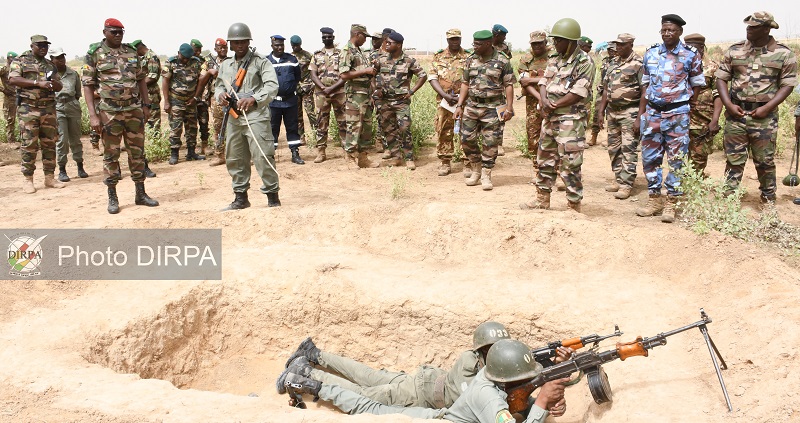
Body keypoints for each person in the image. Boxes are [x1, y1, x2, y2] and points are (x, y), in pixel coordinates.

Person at [280, 339, 568, 423]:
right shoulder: (487, 394)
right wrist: (541, 402)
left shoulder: (491, 374)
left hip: (432, 404)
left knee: (367, 384)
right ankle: (307, 381)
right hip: (426, 406)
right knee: (366, 403)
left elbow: (518, 398)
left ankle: (311, 362)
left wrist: (542, 400)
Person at [277, 321, 514, 408]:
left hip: (422, 382)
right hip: (416, 393)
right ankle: (304, 372)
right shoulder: (471, 366)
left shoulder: (473, 359)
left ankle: (312, 353)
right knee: (362, 394)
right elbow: (479, 397)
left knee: (366, 375)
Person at [715, 11, 797, 208]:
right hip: (736, 114)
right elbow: (721, 78)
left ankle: (768, 200)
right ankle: (728, 200)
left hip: (765, 118)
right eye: (748, 26)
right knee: (734, 160)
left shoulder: (784, 54)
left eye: (754, 27)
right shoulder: (734, 51)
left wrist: (768, 108)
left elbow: (788, 85)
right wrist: (728, 105)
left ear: (767, 29)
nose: (748, 30)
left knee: (765, 161)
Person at [82, 18, 158, 214]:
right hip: (109, 112)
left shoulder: (131, 52)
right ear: (104, 32)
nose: (118, 35)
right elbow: (88, 85)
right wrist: (92, 115)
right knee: (111, 155)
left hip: (133, 110)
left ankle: (140, 194)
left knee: (137, 153)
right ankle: (112, 197)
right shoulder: (94, 54)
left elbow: (141, 80)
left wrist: (146, 104)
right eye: (113, 32)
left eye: (120, 32)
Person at [520, 18, 595, 212]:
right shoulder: (555, 59)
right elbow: (544, 82)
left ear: (570, 41)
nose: (555, 44)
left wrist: (554, 105)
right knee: (544, 158)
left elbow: (579, 92)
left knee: (570, 163)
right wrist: (543, 101)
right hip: (550, 118)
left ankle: (573, 204)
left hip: (571, 120)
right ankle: (542, 199)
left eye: (559, 40)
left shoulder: (584, 62)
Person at [635, 14, 704, 223]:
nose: (667, 34)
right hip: (653, 113)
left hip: (677, 114)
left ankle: (672, 202)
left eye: (671, 30)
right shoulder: (651, 53)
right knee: (650, 158)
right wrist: (643, 113)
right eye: (664, 30)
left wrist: (687, 105)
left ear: (680, 32)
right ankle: (654, 198)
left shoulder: (690, 55)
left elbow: (698, 84)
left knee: (677, 159)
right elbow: (645, 83)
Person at [214, 22, 281, 209]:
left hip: (256, 115)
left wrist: (254, 98)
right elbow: (219, 85)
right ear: (230, 44)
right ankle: (240, 197)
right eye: (236, 43)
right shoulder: (226, 65)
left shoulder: (261, 62)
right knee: (235, 156)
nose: (240, 45)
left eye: (243, 41)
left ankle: (272, 196)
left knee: (263, 155)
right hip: (234, 116)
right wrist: (220, 95)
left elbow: (271, 86)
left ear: (249, 42)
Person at [453, 30, 515, 191]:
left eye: (478, 44)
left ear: (488, 44)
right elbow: (465, 83)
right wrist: (459, 105)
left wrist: (509, 107)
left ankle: (486, 173)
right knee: (466, 139)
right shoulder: (470, 60)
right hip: (472, 106)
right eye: (474, 43)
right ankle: (476, 168)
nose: (475, 47)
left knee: (491, 142)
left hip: (494, 107)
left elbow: (509, 85)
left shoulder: (502, 60)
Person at [9, 34, 64, 193]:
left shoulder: (50, 65)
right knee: (29, 144)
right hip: (28, 108)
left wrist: (55, 84)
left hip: (48, 108)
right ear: (32, 46)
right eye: (40, 45)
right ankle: (28, 179)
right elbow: (13, 80)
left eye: (45, 46)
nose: (43, 48)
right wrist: (37, 83)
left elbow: (59, 86)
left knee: (49, 143)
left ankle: (49, 177)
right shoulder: (20, 61)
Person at [595, 33, 643, 200]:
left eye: (622, 45)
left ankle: (626, 184)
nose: (618, 47)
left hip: (631, 111)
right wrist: (601, 111)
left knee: (628, 148)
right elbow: (606, 89)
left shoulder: (638, 63)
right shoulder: (613, 63)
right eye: (617, 45)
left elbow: (645, 91)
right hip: (613, 112)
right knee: (614, 147)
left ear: (631, 44)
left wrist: (639, 118)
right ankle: (618, 177)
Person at [373, 31, 427, 169]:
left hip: (401, 102)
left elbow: (422, 76)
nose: (386, 45)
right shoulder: (381, 59)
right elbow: (371, 74)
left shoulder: (409, 61)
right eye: (386, 42)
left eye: (389, 43)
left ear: (398, 45)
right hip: (384, 101)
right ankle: (396, 157)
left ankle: (409, 158)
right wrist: (375, 89)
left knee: (404, 128)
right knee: (388, 129)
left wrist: (411, 91)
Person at [429, 29, 469, 177]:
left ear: (461, 39)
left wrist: (462, 97)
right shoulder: (438, 57)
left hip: (464, 100)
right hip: (444, 101)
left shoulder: (468, 56)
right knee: (444, 130)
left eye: (457, 38)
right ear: (447, 40)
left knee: (467, 130)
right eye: (452, 39)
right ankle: (445, 162)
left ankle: (468, 162)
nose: (454, 41)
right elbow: (432, 78)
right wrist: (444, 95)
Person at [339, 24, 380, 168]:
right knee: (354, 127)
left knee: (366, 128)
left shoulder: (360, 51)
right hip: (355, 96)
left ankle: (363, 158)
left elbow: (365, 71)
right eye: (364, 36)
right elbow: (343, 74)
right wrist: (365, 71)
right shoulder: (347, 50)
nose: (365, 40)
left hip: (366, 95)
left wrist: (372, 68)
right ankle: (350, 158)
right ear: (357, 34)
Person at [683, 33, 722, 176]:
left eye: (693, 47)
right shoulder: (678, 64)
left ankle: (696, 180)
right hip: (680, 115)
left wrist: (715, 120)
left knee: (699, 152)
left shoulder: (712, 67)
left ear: (701, 48)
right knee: (678, 151)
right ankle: (681, 182)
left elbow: (719, 94)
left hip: (702, 117)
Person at [518, 30, 555, 179]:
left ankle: (556, 171)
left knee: (554, 135)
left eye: (540, 43)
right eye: (534, 44)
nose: (537, 46)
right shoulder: (526, 59)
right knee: (533, 136)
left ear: (546, 43)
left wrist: (534, 80)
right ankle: (538, 170)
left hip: (553, 101)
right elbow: (524, 82)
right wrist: (540, 97)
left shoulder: (554, 56)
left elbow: (556, 76)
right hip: (534, 102)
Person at [162, 43, 205, 165]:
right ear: (178, 53)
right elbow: (165, 82)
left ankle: (191, 153)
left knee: (192, 127)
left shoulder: (196, 62)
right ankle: (174, 153)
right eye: (184, 57)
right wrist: (166, 101)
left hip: (191, 100)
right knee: (176, 127)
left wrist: (196, 97)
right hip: (176, 99)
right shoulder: (171, 62)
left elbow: (201, 80)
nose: (186, 60)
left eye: (188, 58)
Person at [50, 47, 87, 182]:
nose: (61, 60)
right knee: (62, 140)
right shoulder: (49, 74)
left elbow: (78, 93)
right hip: (57, 107)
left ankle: (80, 166)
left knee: (76, 138)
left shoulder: (73, 73)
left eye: (62, 57)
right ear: (51, 60)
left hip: (72, 106)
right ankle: (62, 170)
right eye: (57, 58)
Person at [267, 35, 304, 165]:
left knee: (292, 127)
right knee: (272, 128)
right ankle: (271, 155)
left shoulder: (292, 59)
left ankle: (295, 153)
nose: (279, 47)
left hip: (290, 101)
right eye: (277, 45)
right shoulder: (266, 61)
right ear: (272, 46)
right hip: (273, 102)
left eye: (281, 45)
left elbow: (297, 77)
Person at [130, 39, 158, 178]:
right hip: (130, 101)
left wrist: (137, 85)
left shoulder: (151, 57)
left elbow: (152, 77)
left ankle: (144, 166)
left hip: (148, 96)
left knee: (143, 134)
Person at [290, 35, 317, 147]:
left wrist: (312, 85)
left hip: (307, 88)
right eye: (294, 45)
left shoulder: (308, 55)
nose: (296, 47)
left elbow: (314, 71)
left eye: (297, 45)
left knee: (310, 113)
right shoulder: (289, 57)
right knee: (297, 115)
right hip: (295, 89)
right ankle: (301, 137)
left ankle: (317, 136)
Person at [207, 38, 230, 166]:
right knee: (218, 128)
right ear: (215, 49)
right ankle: (219, 155)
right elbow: (202, 77)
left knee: (236, 128)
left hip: (230, 97)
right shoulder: (210, 63)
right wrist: (210, 72)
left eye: (225, 48)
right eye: (220, 48)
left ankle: (240, 155)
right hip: (216, 99)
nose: (223, 50)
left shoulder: (232, 62)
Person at [190, 39, 212, 156]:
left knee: (204, 122)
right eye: (196, 50)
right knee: (190, 124)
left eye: (199, 50)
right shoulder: (185, 61)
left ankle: (205, 145)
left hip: (202, 98)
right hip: (189, 98)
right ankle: (191, 149)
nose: (198, 52)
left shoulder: (203, 62)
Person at [1, 51, 20, 145]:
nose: (14, 61)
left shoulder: (17, 68)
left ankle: (23, 139)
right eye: (12, 59)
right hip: (9, 97)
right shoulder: (4, 69)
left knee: (22, 118)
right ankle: (10, 141)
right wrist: (3, 90)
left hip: (19, 96)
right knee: (10, 119)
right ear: (8, 58)